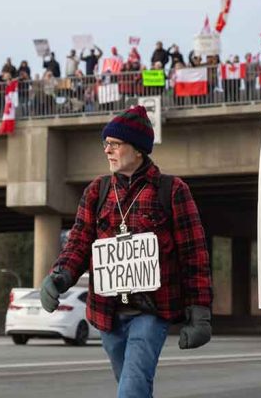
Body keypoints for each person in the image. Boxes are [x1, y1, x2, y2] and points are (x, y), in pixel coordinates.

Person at [40, 105, 213, 398]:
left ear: (138, 150)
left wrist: (200, 312)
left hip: (151, 310)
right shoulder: (98, 191)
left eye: (115, 144)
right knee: (132, 386)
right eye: (106, 144)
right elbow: (79, 242)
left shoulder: (172, 190)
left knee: (131, 388)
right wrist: (60, 276)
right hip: (107, 313)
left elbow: (194, 253)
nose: (107, 150)